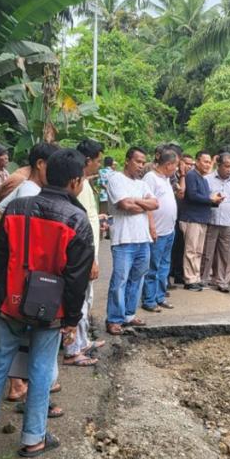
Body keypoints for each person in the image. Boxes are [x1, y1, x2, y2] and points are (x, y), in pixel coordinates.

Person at [0, 148, 94, 458]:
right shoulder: (77, 219)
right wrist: (71, 320)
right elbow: (76, 278)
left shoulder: (17, 209)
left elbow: (1, 257)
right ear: (75, 181)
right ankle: (33, 438)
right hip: (51, 308)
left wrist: (2, 295)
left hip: (11, 302)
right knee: (42, 367)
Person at [0, 143, 56, 403]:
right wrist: (17, 240)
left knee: (6, 312)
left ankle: (13, 378)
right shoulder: (23, 184)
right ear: (41, 164)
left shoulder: (30, 184)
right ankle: (10, 381)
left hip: (2, 253)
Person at [105, 147, 158, 334]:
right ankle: (114, 319)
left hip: (143, 239)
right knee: (120, 280)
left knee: (137, 279)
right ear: (127, 160)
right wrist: (142, 204)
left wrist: (136, 202)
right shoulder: (115, 179)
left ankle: (129, 314)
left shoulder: (143, 184)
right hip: (123, 239)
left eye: (144, 162)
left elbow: (155, 204)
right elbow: (125, 205)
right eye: (138, 161)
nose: (141, 166)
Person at [63, 139, 105, 366]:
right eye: (98, 161)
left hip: (89, 252)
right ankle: (72, 350)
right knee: (78, 300)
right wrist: (89, 259)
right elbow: (79, 225)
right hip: (83, 254)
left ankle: (82, 341)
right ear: (87, 160)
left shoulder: (84, 184)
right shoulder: (76, 184)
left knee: (86, 299)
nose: (99, 165)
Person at [142, 148, 179, 312]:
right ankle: (149, 300)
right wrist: (152, 227)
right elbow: (147, 204)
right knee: (153, 267)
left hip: (169, 230)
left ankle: (160, 296)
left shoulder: (165, 178)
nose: (176, 169)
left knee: (164, 265)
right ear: (168, 164)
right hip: (157, 230)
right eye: (175, 165)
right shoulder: (150, 178)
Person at [201, 153, 230, 293]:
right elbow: (202, 200)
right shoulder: (207, 179)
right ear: (219, 165)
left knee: (225, 253)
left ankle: (222, 281)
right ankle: (203, 279)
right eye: (226, 166)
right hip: (211, 221)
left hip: (229, 223)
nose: (229, 169)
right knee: (207, 252)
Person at [179, 151, 222, 291]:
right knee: (191, 250)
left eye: (209, 162)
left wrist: (215, 201)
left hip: (202, 218)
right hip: (191, 218)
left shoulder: (203, 179)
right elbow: (192, 195)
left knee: (198, 251)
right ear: (197, 161)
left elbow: (203, 198)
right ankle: (189, 279)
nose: (208, 164)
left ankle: (196, 278)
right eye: (205, 161)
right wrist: (210, 199)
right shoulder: (192, 175)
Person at [170, 152, 194, 286]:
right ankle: (169, 275)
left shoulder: (192, 177)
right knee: (172, 247)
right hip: (173, 217)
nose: (189, 166)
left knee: (182, 247)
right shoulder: (173, 177)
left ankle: (179, 275)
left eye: (191, 164)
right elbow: (180, 193)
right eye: (186, 163)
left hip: (185, 217)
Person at [98, 156, 115, 238]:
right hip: (111, 196)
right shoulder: (114, 173)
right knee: (110, 215)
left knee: (102, 214)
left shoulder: (100, 171)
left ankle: (100, 234)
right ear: (112, 163)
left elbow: (100, 183)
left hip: (103, 195)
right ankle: (110, 233)